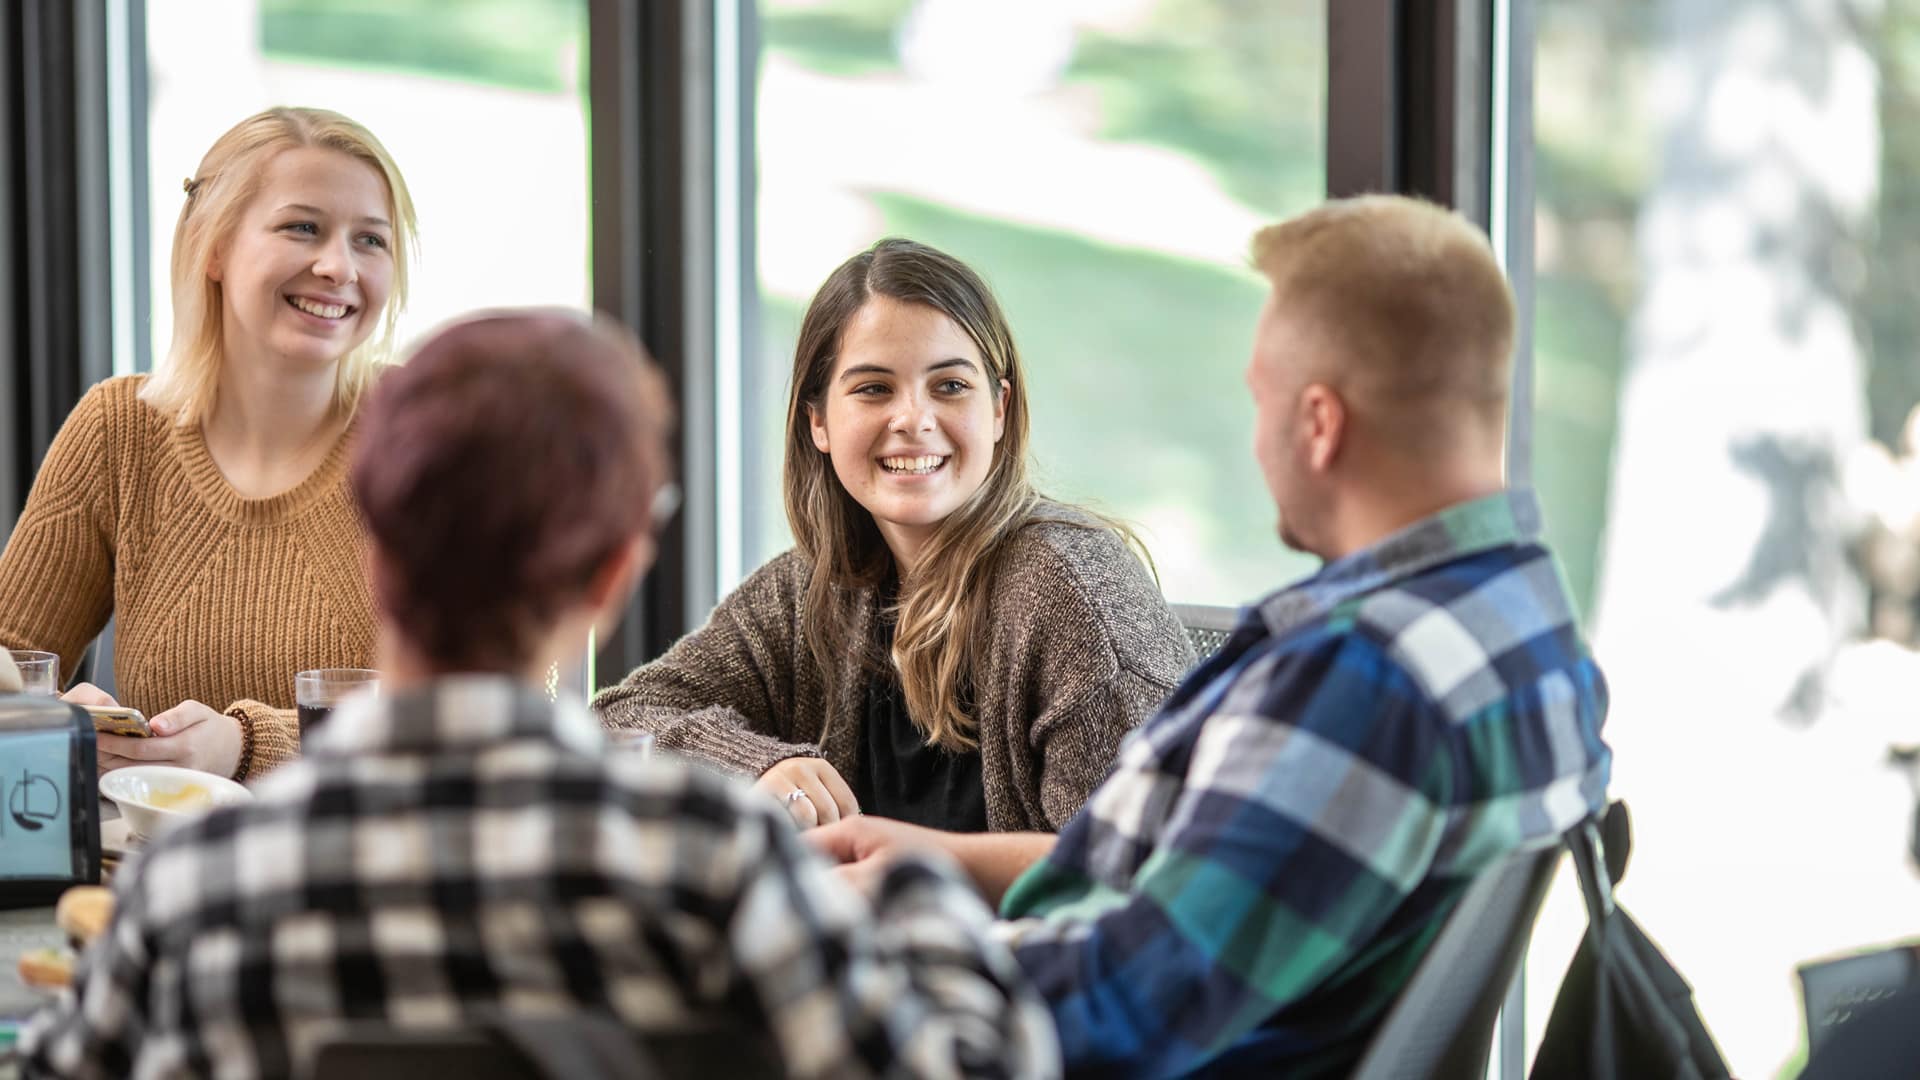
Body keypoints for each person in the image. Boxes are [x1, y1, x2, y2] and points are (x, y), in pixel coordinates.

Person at [19, 311, 1059, 1080]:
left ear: (373, 550)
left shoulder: (198, 891)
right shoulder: (712, 869)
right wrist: (922, 900)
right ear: (613, 575)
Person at [813, 195, 1614, 1076]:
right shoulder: (1524, 626)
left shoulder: (1361, 683)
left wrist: (858, 948)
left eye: (1261, 398)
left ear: (1318, 424)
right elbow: (1200, 897)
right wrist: (941, 864)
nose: (1256, 438)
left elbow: (1116, 1016)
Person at [595, 237, 1191, 833]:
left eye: (950, 386)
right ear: (820, 422)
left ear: (1000, 410)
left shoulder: (1073, 593)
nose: (914, 419)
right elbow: (616, 721)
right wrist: (753, 764)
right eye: (874, 388)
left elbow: (1133, 866)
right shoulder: (806, 592)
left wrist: (893, 856)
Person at [0, 106, 416, 781]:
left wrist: (249, 743)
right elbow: (14, 660)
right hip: (150, 864)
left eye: (371, 240)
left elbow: (481, 702)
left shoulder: (423, 436)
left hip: (367, 864)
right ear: (212, 247)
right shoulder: (119, 431)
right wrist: (58, 724)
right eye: (302, 227)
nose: (339, 267)